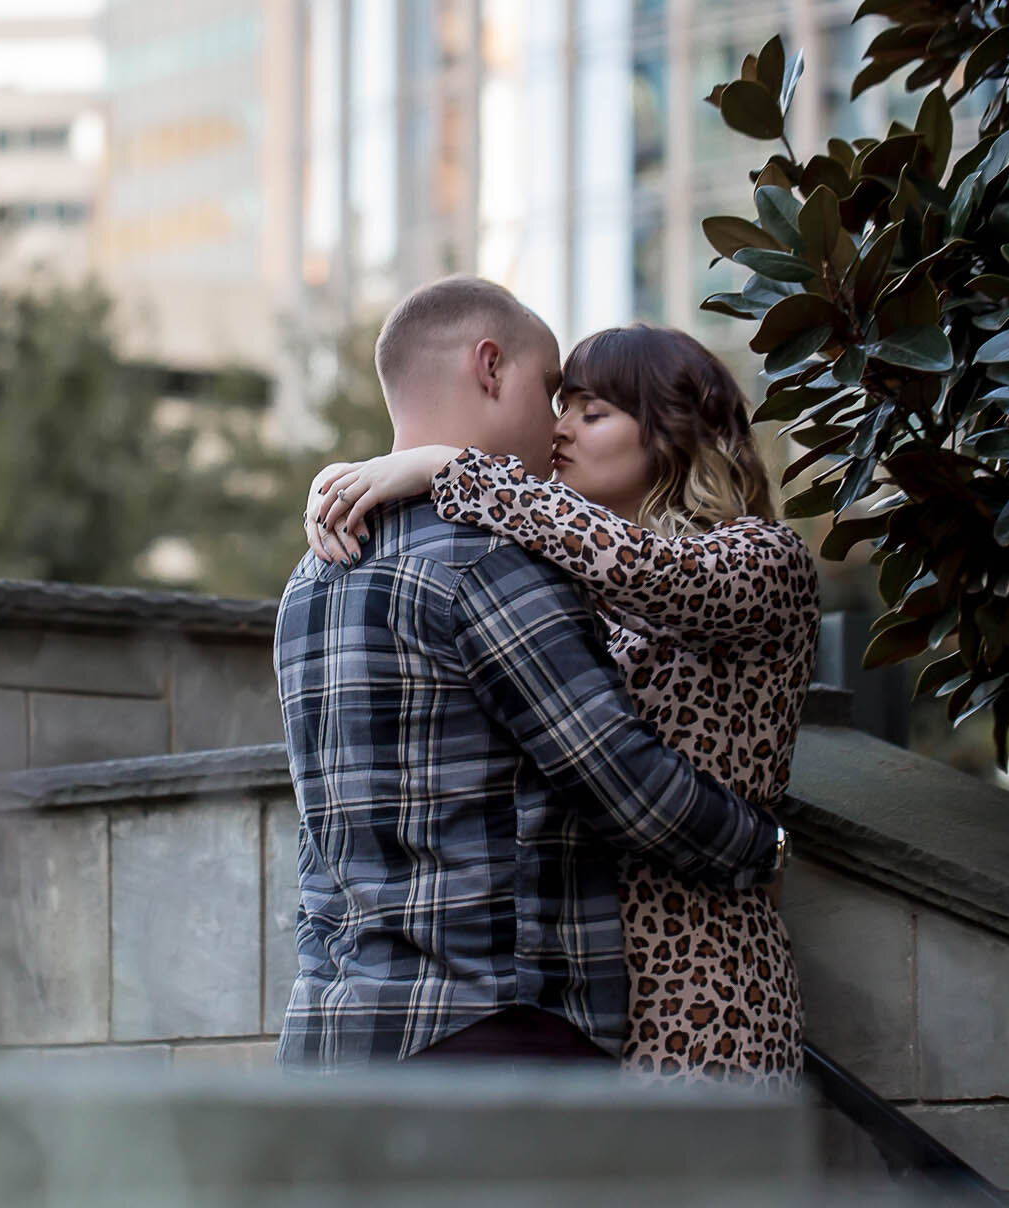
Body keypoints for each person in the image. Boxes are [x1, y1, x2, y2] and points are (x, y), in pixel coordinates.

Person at [274, 277, 789, 1072]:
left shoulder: (310, 574)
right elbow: (619, 777)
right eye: (555, 392)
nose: (556, 425)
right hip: (487, 1030)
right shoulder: (489, 563)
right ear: (489, 369)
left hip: (335, 1032)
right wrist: (761, 843)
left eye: (586, 409)